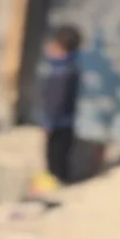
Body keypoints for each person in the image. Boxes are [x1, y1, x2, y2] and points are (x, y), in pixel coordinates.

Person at [34, 24, 82, 191]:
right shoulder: (67, 67)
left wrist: (49, 122)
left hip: (58, 123)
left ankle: (56, 185)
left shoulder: (62, 72)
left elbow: (56, 100)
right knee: (58, 157)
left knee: (55, 158)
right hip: (63, 122)